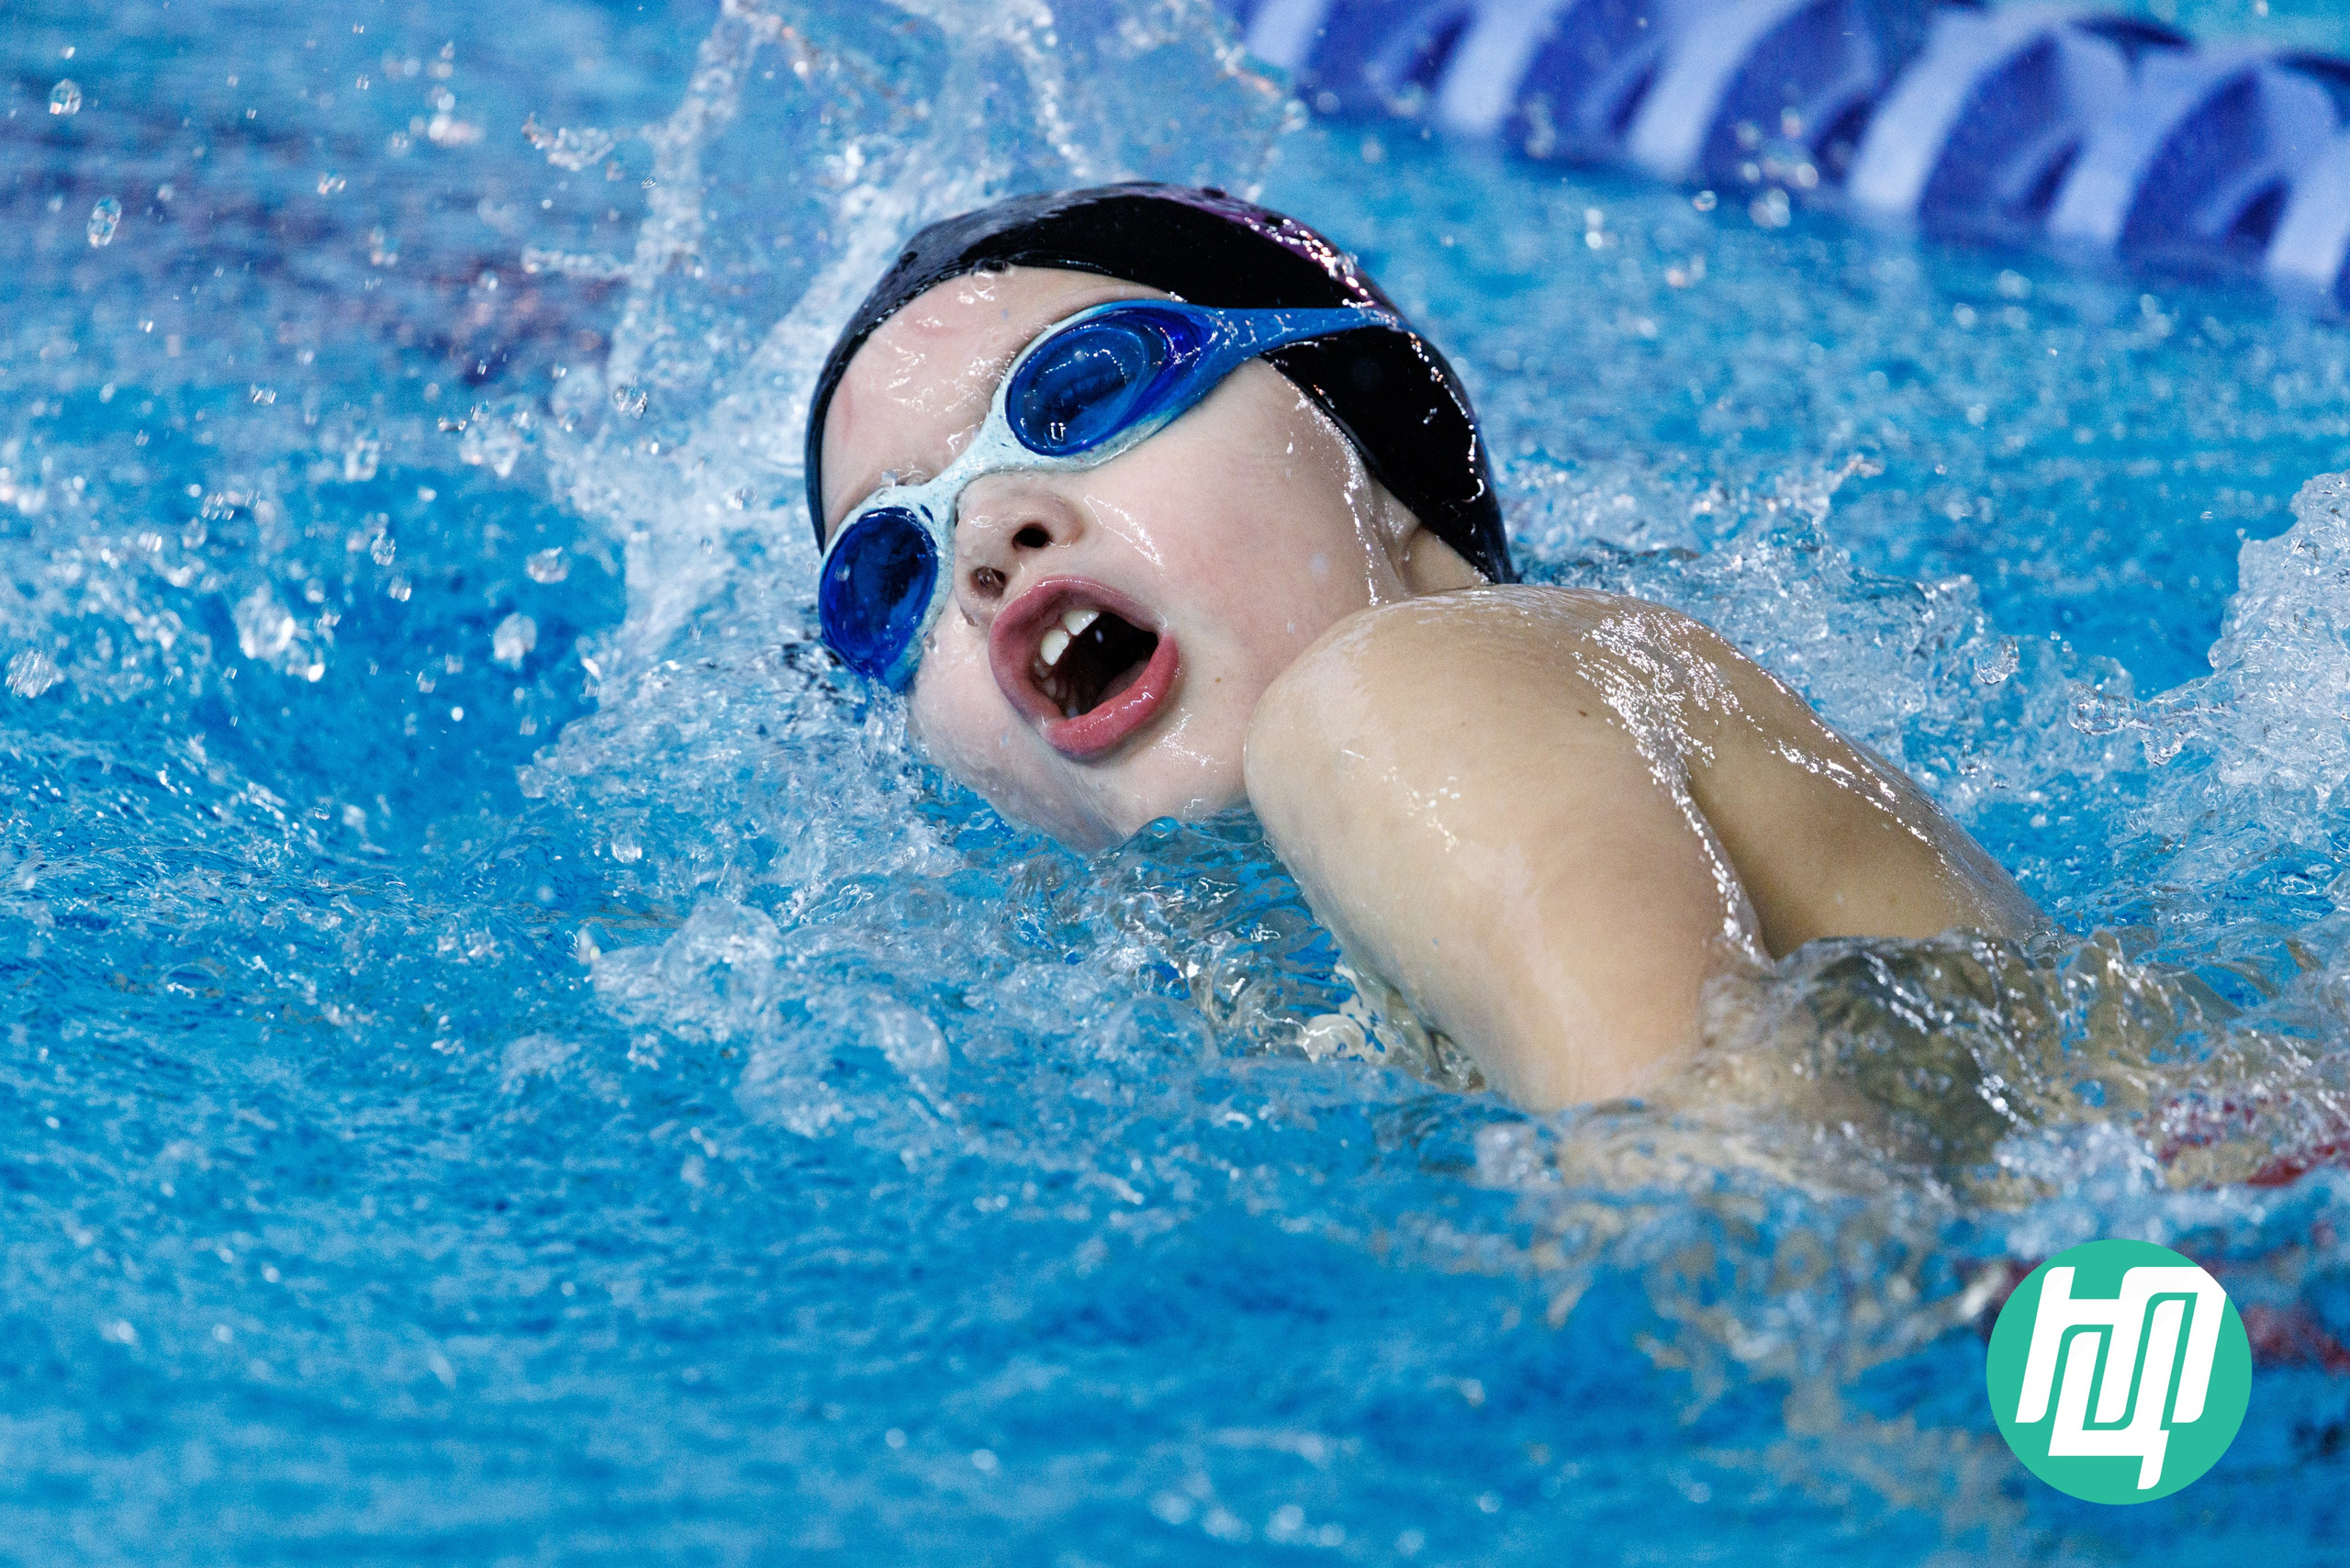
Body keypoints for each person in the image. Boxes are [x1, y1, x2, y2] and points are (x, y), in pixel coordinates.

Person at [802, 184, 2042, 1114]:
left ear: (1375, 447)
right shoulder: (1279, 998)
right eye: (888, 568)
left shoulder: (1396, 688)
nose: (982, 544)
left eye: (1081, 393)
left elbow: (1736, 1209)